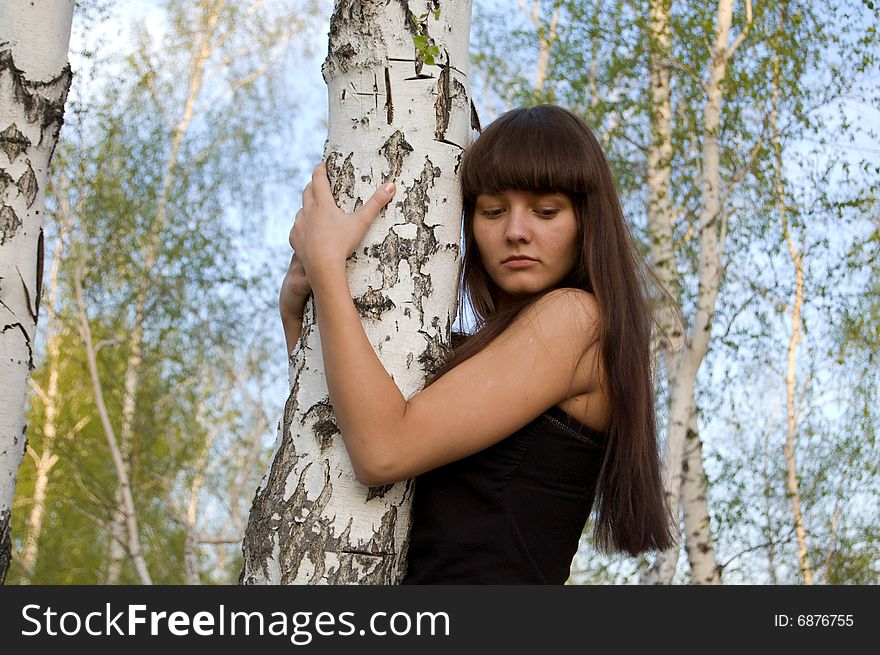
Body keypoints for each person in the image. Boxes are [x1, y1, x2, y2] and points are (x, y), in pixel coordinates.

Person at [279, 104, 673, 584]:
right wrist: (297, 312)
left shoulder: (576, 318)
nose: (515, 232)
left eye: (546, 211)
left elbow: (381, 450)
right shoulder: (490, 349)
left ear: (586, 223)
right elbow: (342, 426)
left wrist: (328, 268)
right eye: (492, 210)